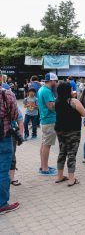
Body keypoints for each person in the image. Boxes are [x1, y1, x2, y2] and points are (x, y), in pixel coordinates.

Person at [55, 82, 85, 186]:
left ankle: (59, 176)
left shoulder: (57, 101)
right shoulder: (73, 101)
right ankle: (71, 179)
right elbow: (84, 113)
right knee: (71, 154)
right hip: (73, 131)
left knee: (62, 152)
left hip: (60, 130)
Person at [0, 72, 20, 214]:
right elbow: (14, 115)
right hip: (4, 136)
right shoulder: (7, 94)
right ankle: (2, 204)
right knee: (2, 170)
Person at [37, 73, 58, 176]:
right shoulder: (46, 91)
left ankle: (43, 166)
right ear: (52, 81)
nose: (56, 83)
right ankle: (45, 168)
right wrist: (59, 103)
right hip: (49, 121)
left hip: (45, 120)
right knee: (47, 145)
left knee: (44, 144)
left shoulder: (42, 89)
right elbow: (51, 106)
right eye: (56, 81)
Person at [9, 106, 24, 187]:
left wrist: (20, 136)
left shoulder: (13, 106)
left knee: (12, 156)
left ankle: (12, 178)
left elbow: (20, 121)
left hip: (11, 134)